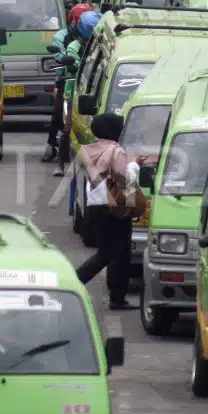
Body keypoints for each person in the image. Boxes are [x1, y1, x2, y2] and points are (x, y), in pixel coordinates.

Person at [75, 112, 143, 311]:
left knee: (106, 253)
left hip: (94, 207)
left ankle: (78, 283)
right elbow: (124, 178)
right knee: (120, 254)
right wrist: (136, 165)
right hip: (114, 207)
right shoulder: (116, 150)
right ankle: (114, 296)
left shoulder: (87, 150)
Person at [44, 3, 93, 169]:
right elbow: (60, 54)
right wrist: (68, 61)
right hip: (68, 78)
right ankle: (52, 146)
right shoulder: (65, 38)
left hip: (89, 82)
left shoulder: (95, 39)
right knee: (59, 113)